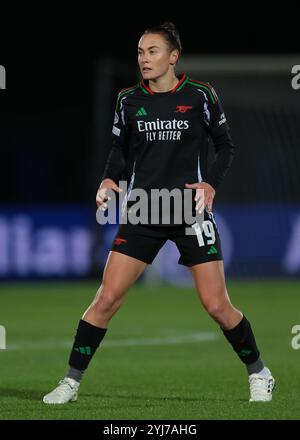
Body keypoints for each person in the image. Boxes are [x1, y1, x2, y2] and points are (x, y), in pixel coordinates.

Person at [43, 22, 275, 404]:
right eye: (139, 52)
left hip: (189, 210)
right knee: (106, 299)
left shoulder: (201, 95)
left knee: (216, 305)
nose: (144, 58)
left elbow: (226, 147)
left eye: (152, 51)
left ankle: (259, 373)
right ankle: (71, 381)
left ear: (173, 57)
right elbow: (119, 151)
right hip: (143, 209)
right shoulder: (128, 100)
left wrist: (211, 184)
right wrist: (107, 181)